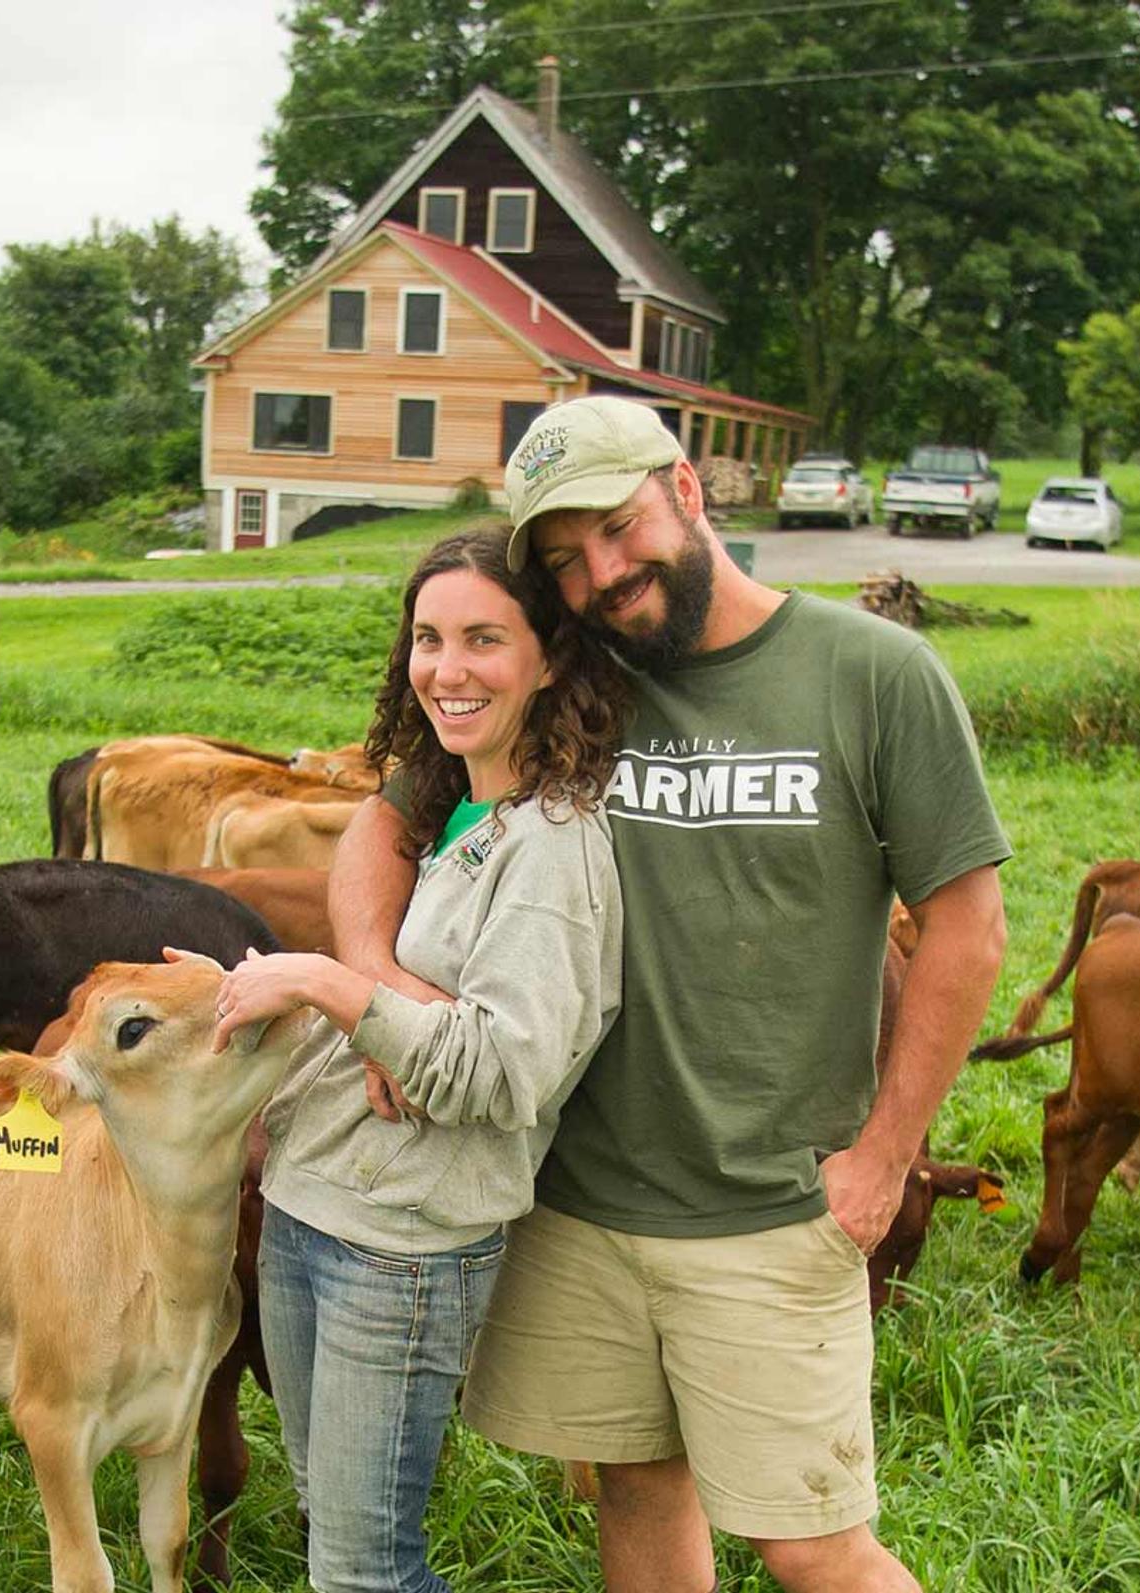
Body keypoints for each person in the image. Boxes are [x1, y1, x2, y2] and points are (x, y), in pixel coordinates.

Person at [328, 398, 1010, 1593]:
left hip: (771, 1201)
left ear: (688, 493)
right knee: (637, 1489)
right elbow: (379, 830)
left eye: (620, 527)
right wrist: (385, 992)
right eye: (564, 557)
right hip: (576, 1198)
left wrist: (889, 1154)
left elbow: (968, 928)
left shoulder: (872, 673)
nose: (602, 572)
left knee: (812, 1542)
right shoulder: (571, 680)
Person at [208, 527, 632, 1593]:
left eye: (484, 638)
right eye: (429, 638)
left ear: (551, 657)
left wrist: (324, 982)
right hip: (311, 1210)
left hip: (400, 1251)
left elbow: (502, 1073)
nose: (446, 669)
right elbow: (393, 992)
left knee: (364, 1572)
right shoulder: (451, 802)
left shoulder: (552, 844)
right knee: (327, 1529)